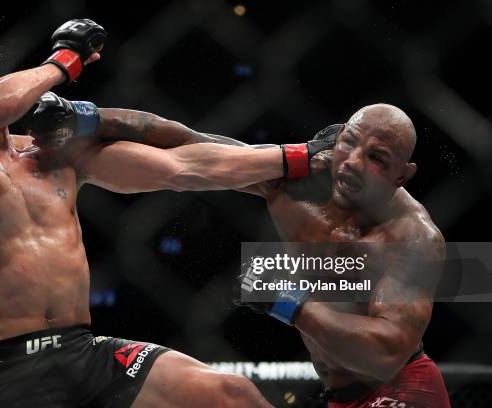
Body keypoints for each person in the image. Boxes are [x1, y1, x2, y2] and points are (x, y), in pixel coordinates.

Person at [0, 17, 307, 407]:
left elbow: (181, 167)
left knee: (230, 394)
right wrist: (63, 61)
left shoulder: (50, 152)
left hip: (84, 350)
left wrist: (298, 158)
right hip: (7, 367)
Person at [78, 103, 451, 407]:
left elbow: (385, 354)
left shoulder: (413, 239)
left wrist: (289, 303)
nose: (353, 161)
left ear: (402, 175)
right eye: (348, 142)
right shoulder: (291, 183)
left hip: (402, 389)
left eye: (376, 158)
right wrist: (86, 117)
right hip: (336, 395)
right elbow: (188, 143)